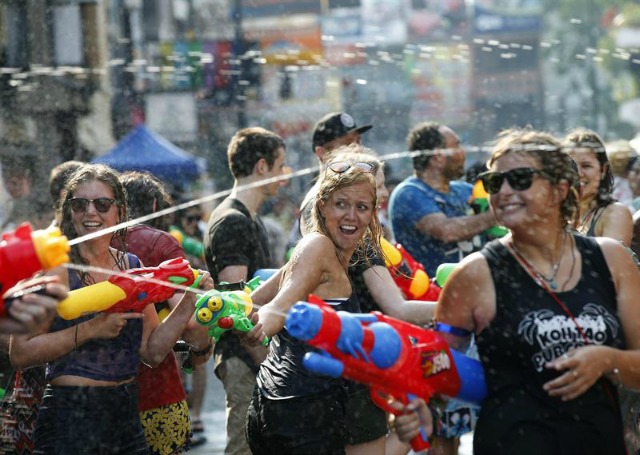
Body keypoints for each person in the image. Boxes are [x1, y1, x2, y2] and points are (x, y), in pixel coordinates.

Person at [395, 129, 640, 454]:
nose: (505, 191)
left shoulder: (611, 259)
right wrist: (418, 406)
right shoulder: (473, 274)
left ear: (559, 189)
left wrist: (607, 359)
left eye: (521, 179)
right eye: (496, 182)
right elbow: (438, 368)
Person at [8, 163, 213, 453]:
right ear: (69, 211)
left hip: (126, 413)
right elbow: (20, 353)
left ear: (119, 211)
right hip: (70, 417)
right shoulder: (54, 271)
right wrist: (90, 329)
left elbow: (153, 352)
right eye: (80, 205)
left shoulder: (132, 267)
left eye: (102, 204)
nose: (91, 213)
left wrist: (189, 300)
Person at [245, 154, 383, 454]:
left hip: (282, 403)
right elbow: (281, 302)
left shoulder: (319, 251)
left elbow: (251, 300)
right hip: (301, 412)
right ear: (322, 205)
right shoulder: (317, 245)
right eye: (341, 204)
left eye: (362, 207)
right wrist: (267, 321)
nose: (351, 216)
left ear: (373, 214)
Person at [204, 127, 287, 455]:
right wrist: (262, 357)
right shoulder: (232, 221)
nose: (284, 175)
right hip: (245, 356)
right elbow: (233, 306)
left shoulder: (249, 218)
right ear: (262, 166)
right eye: (281, 166)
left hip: (258, 354)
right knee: (244, 447)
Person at [120, 170, 211, 454]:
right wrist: (201, 351)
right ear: (157, 206)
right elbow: (193, 323)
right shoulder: (161, 244)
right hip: (156, 391)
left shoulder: (95, 245)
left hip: (100, 396)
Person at [388, 121, 497, 277]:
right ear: (437, 157)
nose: (463, 152)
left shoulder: (464, 190)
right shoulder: (409, 194)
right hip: (432, 292)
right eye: (457, 146)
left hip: (475, 287)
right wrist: (496, 214)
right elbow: (448, 231)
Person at [287, 111, 372, 246]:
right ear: (322, 153)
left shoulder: (350, 194)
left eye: (358, 141)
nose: (357, 149)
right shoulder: (318, 201)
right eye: (348, 143)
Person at [565, 128, 633, 245]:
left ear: (603, 169)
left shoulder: (615, 213)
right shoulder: (562, 214)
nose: (578, 173)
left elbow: (609, 261)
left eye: (586, 166)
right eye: (572, 166)